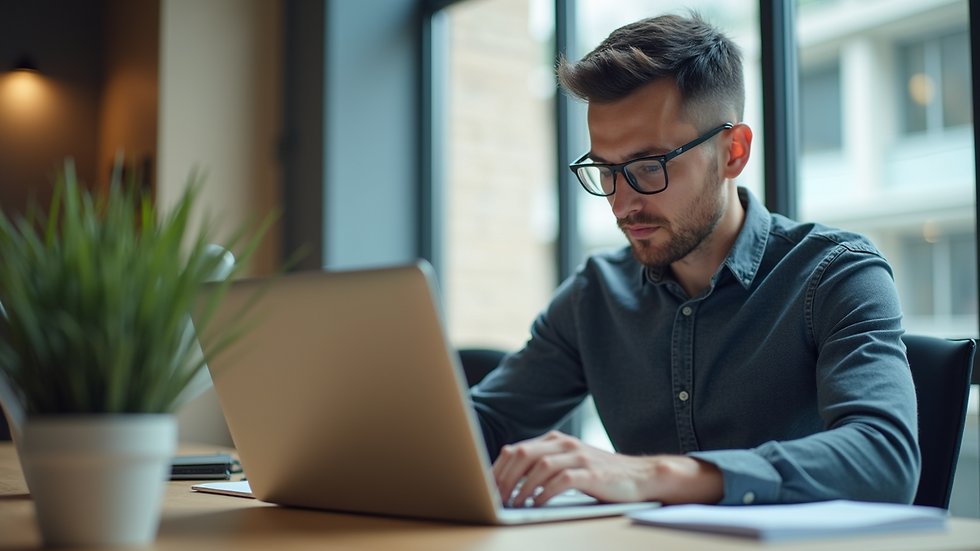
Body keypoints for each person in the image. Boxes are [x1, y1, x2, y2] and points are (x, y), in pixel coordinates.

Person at [469, 13, 919, 508]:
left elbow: (884, 457)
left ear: (734, 152)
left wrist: (655, 475)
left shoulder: (837, 274)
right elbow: (482, 425)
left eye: (648, 166)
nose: (622, 204)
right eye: (605, 170)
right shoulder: (594, 295)